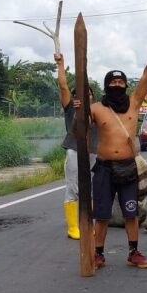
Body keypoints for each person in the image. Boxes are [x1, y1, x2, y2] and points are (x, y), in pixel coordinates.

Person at [89, 38, 147, 270]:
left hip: (128, 167)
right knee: (101, 215)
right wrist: (77, 106)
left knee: (131, 212)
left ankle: (134, 252)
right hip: (104, 168)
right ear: (107, 85)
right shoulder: (96, 109)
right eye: (114, 82)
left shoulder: (134, 103)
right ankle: (98, 253)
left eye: (121, 82)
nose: (118, 85)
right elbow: (77, 127)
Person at [54, 53, 98, 240]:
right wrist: (61, 64)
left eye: (88, 92)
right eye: (79, 93)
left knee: (93, 188)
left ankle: (89, 224)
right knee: (72, 187)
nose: (85, 94)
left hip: (94, 152)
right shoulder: (71, 107)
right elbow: (63, 86)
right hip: (74, 150)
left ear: (92, 95)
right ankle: (73, 227)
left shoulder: (98, 110)